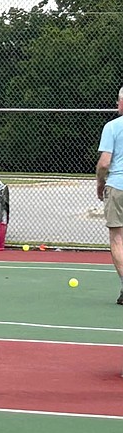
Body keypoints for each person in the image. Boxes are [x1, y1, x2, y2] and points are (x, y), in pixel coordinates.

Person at [96, 85, 123, 306]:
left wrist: (99, 183)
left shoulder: (112, 127)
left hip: (118, 186)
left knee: (117, 237)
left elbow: (105, 162)